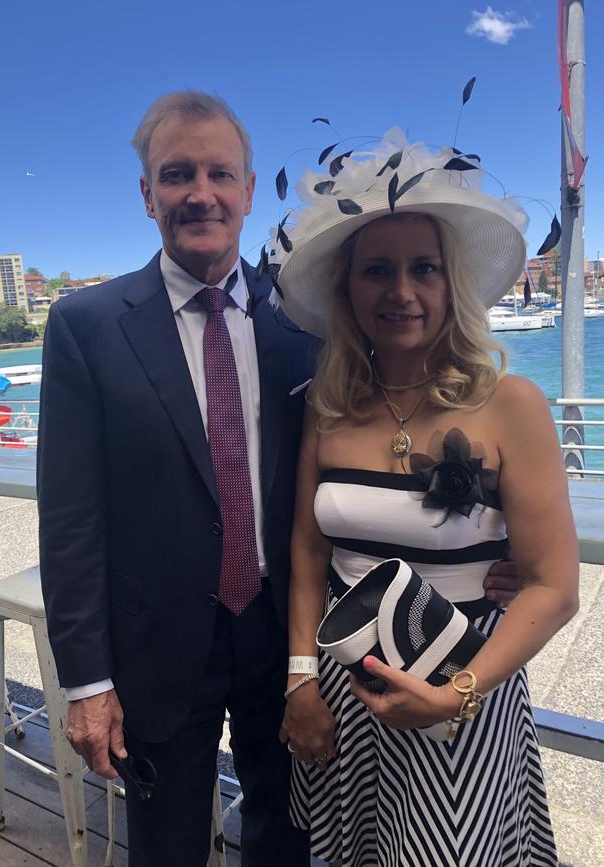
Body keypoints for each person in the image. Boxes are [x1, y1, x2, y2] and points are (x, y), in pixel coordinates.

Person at [37, 99, 521, 867]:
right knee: (164, 846)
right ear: (146, 194)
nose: (201, 193)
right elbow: (68, 517)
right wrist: (86, 679)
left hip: (295, 640)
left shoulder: (310, 324)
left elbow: (389, 441)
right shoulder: (86, 325)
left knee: (287, 838)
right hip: (157, 642)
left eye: (219, 173)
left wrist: (491, 544)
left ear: (250, 188)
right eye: (177, 175)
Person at [274, 130, 579, 866]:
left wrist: (458, 693)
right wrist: (300, 681)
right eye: (377, 270)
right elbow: (310, 552)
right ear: (348, 288)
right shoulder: (327, 404)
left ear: (453, 284)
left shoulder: (513, 404)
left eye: (424, 269)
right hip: (345, 689)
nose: (402, 291)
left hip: (464, 684)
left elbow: (554, 587)